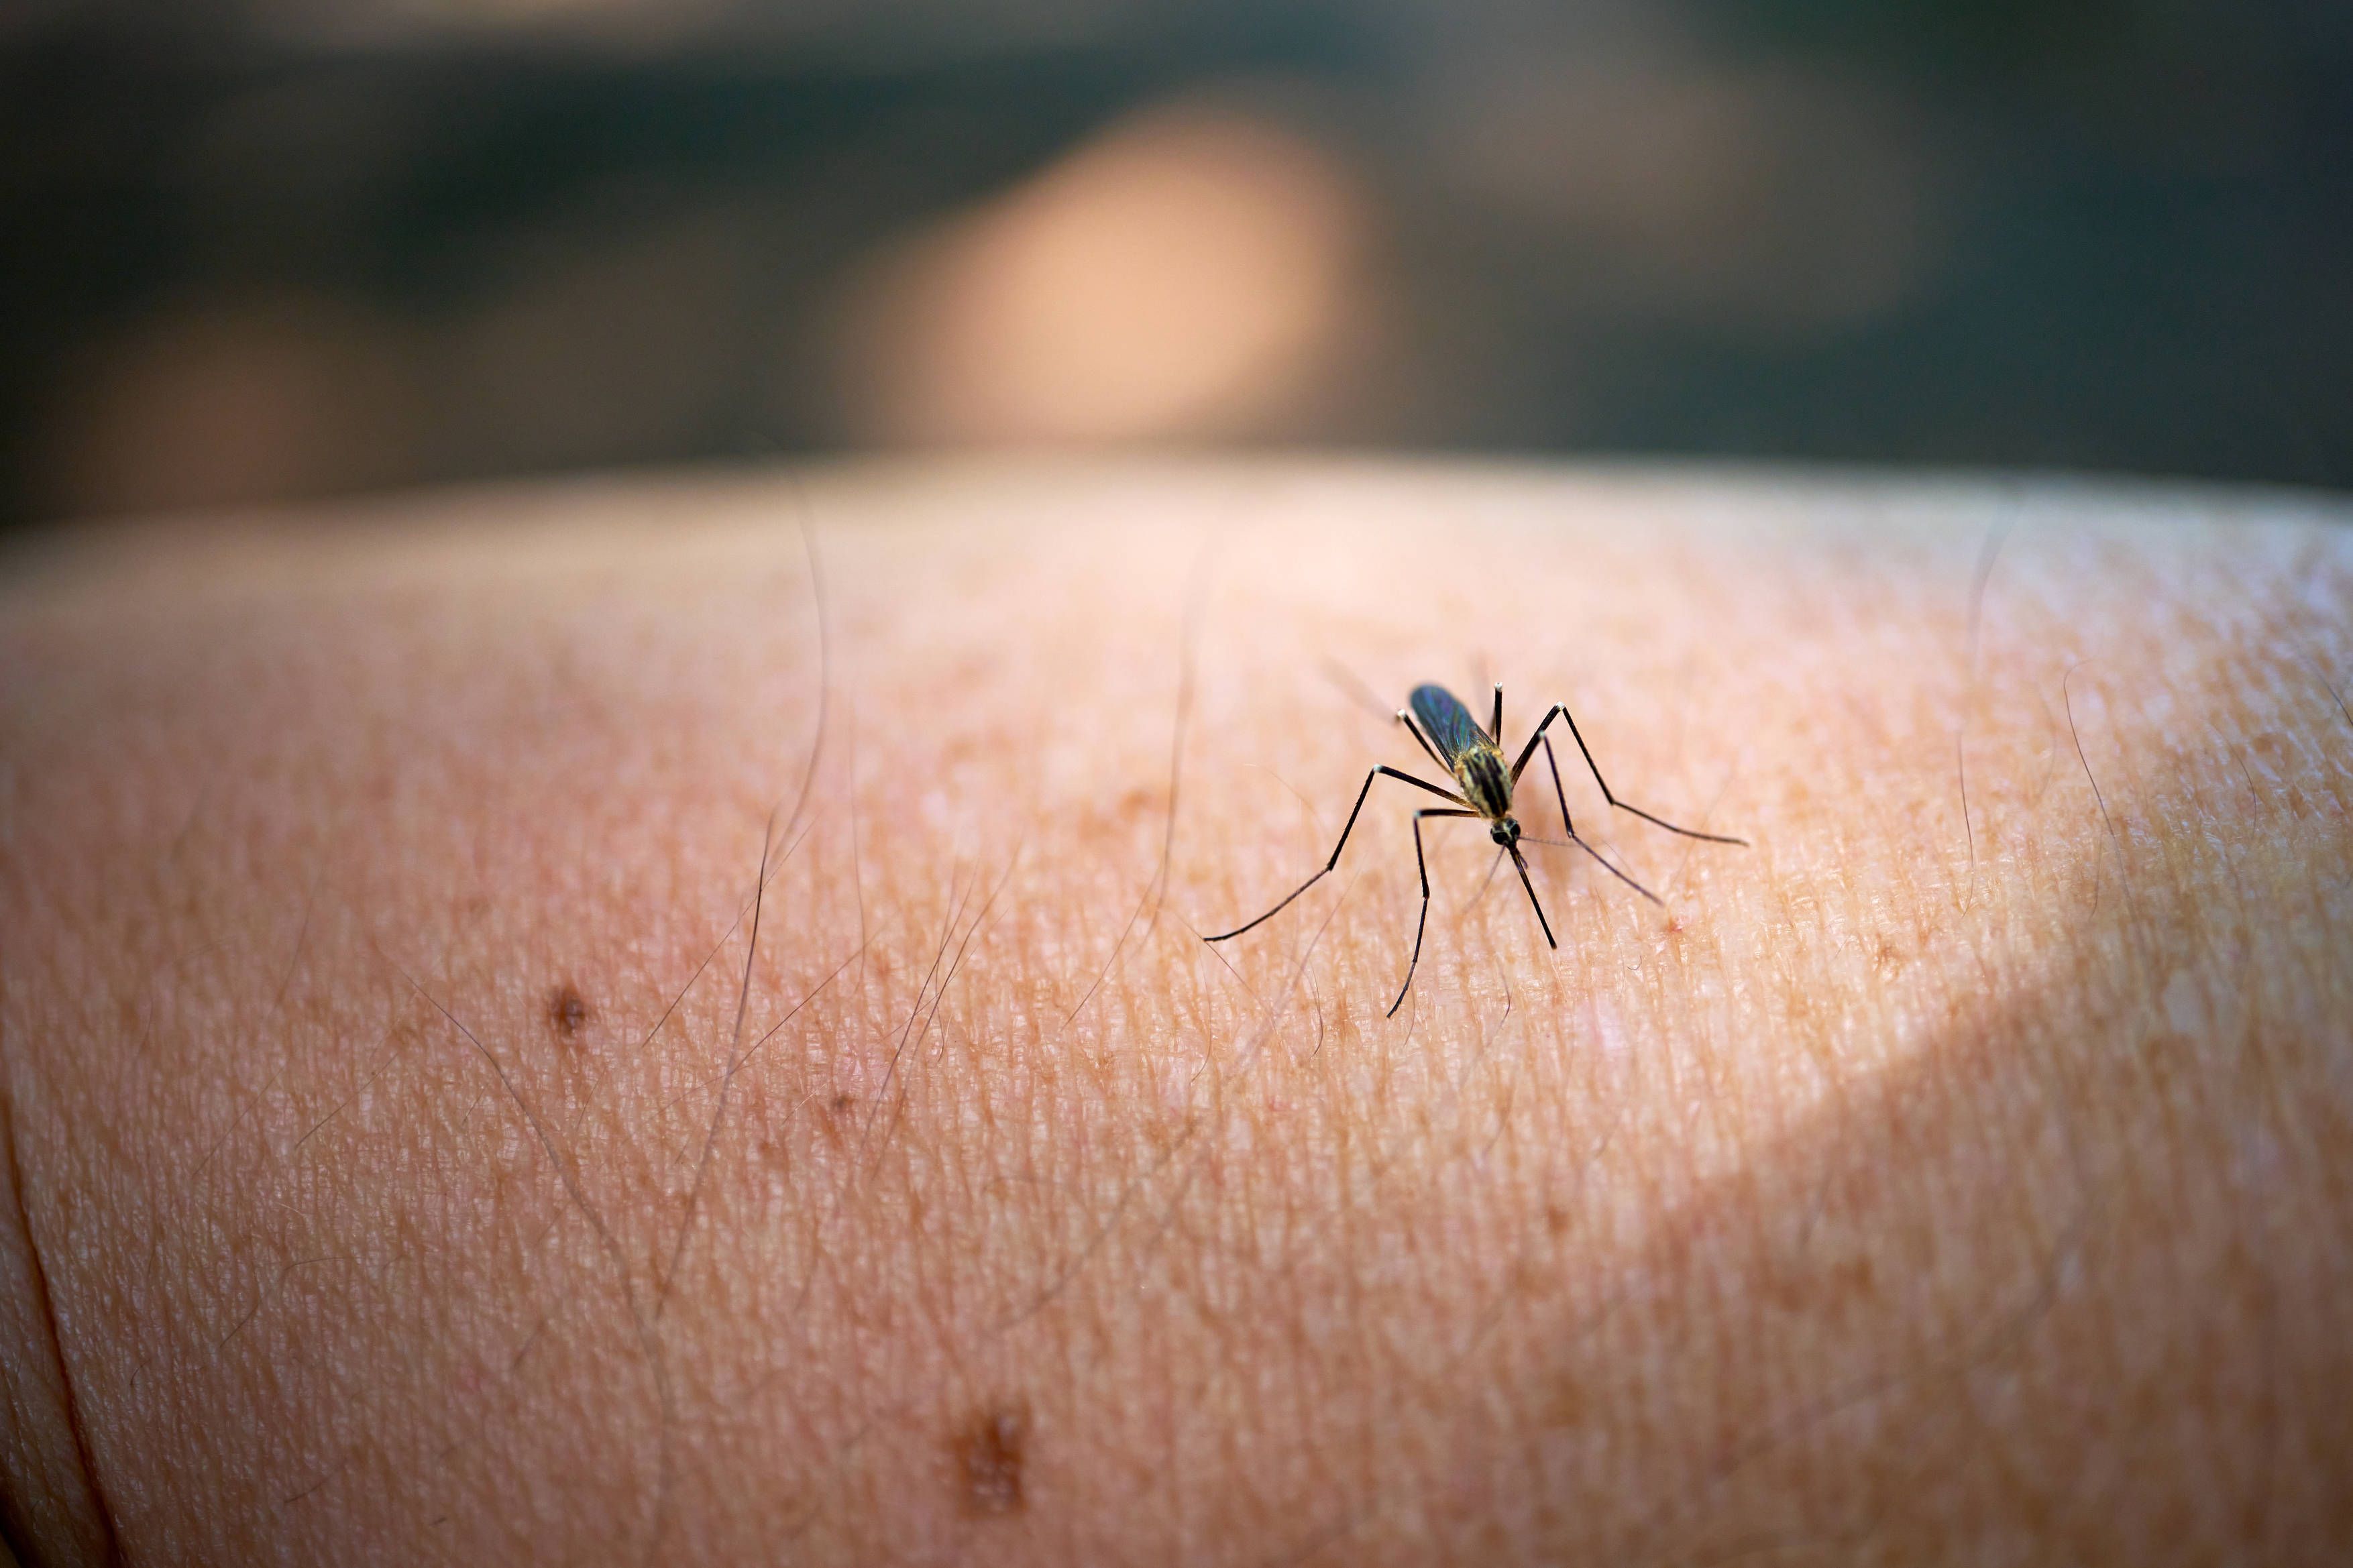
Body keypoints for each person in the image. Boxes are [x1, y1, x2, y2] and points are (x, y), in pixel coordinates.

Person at [2, 463, 2346, 1564]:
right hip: (1398, 792)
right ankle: (1381, 899)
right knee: (1394, 843)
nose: (1497, 791)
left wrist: (1604, 832)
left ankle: (1592, 853)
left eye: (1505, 791)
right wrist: (1458, 877)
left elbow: (1540, 738)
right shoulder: (1433, 782)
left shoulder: (1526, 754)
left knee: (1559, 776)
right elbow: (1439, 757)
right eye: (1503, 795)